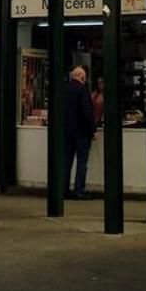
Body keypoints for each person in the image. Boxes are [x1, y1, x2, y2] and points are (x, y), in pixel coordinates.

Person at [64, 66, 97, 200]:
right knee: (82, 162)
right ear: (82, 77)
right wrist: (92, 131)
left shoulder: (64, 89)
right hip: (82, 133)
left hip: (66, 132)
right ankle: (79, 190)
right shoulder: (83, 90)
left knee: (66, 162)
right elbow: (86, 113)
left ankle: (63, 189)